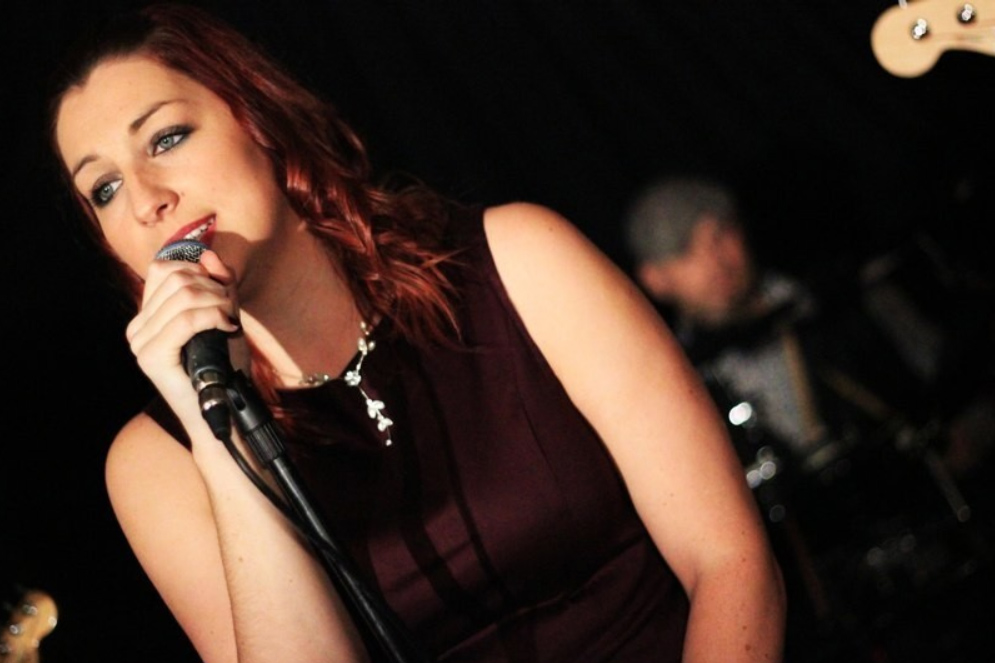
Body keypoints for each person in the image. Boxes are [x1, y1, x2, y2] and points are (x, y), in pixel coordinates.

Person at [49, 5, 786, 662]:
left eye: (167, 138)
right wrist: (219, 429)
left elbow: (729, 560)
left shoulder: (518, 261)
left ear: (258, 120)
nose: (146, 201)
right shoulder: (157, 463)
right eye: (104, 189)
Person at [623, 175, 994, 656]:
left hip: (946, 550)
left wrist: (968, 437)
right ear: (655, 279)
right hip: (824, 613)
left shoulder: (842, 301)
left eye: (721, 233)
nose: (716, 258)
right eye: (685, 250)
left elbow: (968, 388)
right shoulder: (671, 388)